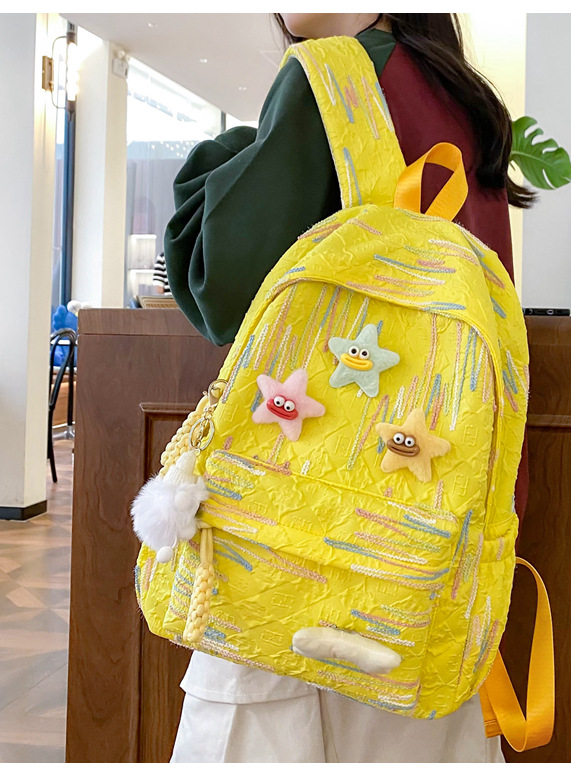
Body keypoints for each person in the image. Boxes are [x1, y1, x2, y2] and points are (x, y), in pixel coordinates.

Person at [165, 13, 533, 763]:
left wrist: (226, 157)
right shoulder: (461, 99)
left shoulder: (331, 77)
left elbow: (220, 288)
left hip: (306, 514)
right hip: (432, 525)